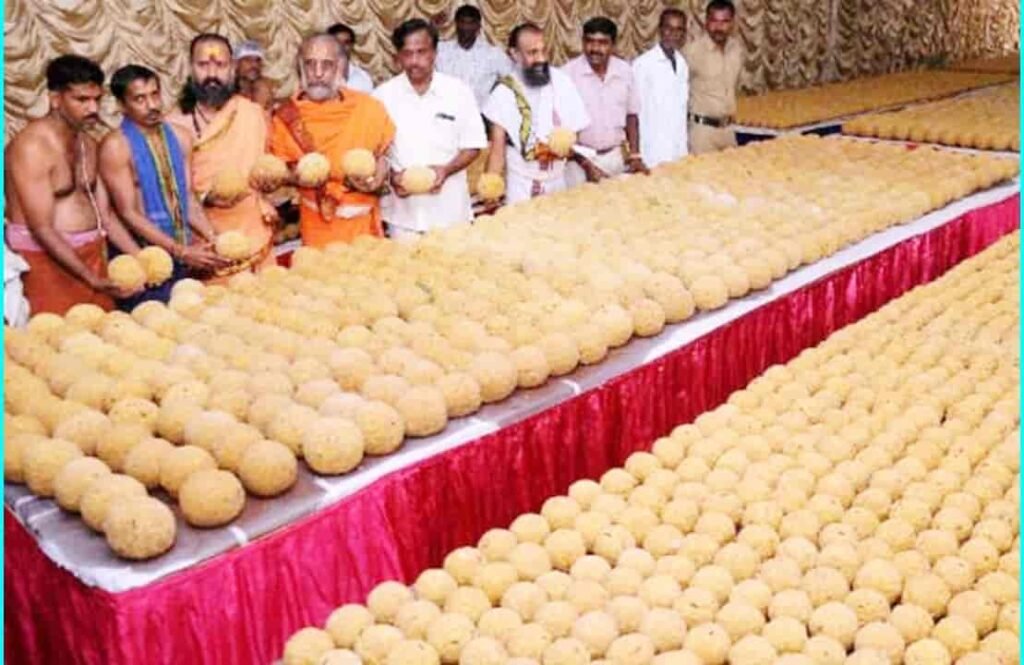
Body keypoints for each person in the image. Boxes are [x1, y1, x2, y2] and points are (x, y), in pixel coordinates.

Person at [5, 55, 142, 316]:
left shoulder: (88, 142)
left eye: (96, 99)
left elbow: (106, 216)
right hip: (46, 265)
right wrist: (89, 278)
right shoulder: (31, 147)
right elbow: (41, 228)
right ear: (55, 99)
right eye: (81, 100)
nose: (92, 108)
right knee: (59, 345)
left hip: (93, 258)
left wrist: (140, 258)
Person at [99, 64, 229, 307]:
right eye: (139, 99)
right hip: (142, 254)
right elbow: (128, 213)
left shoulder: (181, 137)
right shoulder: (116, 147)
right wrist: (179, 251)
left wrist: (213, 237)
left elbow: (187, 198)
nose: (152, 105)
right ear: (121, 105)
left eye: (155, 94)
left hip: (181, 245)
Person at [167, 33, 278, 279]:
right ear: (190, 68)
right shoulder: (174, 124)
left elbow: (266, 167)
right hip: (207, 244)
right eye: (203, 65)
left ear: (232, 69)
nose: (212, 74)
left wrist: (270, 182)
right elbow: (171, 194)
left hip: (256, 236)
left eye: (220, 65)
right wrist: (207, 198)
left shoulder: (252, 113)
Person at [269, 33, 395, 247]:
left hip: (364, 226)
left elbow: (383, 156)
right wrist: (302, 177)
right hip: (318, 226)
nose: (317, 73)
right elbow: (279, 171)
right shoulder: (286, 115)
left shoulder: (368, 108)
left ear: (340, 67)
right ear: (300, 68)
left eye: (326, 65)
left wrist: (380, 174)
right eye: (310, 64)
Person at [374, 19, 487, 239]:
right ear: (397, 57)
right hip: (403, 218)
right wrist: (391, 177)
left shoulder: (458, 92)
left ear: (435, 53)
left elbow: (473, 145)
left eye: (421, 52)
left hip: (452, 215)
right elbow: (374, 152)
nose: (415, 61)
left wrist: (445, 171)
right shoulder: (382, 97)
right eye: (407, 53)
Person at [482, 23, 590, 205]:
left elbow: (576, 131)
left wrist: (562, 144)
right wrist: (491, 188)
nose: (541, 58)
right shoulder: (504, 92)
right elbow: (497, 150)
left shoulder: (562, 81)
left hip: (558, 181)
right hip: (521, 184)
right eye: (532, 53)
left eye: (543, 51)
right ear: (514, 54)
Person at [562, 17, 645, 187]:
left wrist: (635, 156)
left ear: (613, 45)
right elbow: (561, 131)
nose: (595, 48)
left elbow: (631, 116)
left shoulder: (624, 71)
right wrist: (586, 165)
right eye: (589, 41)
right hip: (578, 164)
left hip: (616, 158)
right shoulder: (567, 75)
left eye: (602, 43)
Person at [684, 0, 743, 154]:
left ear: (732, 23)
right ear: (706, 22)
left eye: (724, 21)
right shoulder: (693, 52)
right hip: (703, 133)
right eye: (714, 21)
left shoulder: (736, 49)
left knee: (736, 175)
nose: (719, 27)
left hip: (728, 130)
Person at [632, 9, 690, 167]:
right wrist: (636, 154)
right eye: (668, 28)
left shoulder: (682, 63)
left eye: (679, 30)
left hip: (678, 149)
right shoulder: (643, 64)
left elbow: (681, 110)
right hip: (652, 152)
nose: (673, 34)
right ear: (659, 30)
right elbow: (633, 113)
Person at [436, 5, 512, 109]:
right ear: (456, 23)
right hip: (446, 115)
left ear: (478, 26)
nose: (466, 27)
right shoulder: (442, 50)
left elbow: (514, 81)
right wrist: (431, 27)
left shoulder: (493, 54)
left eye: (471, 23)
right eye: (462, 22)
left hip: (479, 118)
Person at [327, 23, 375, 93]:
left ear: (352, 46)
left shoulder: (363, 77)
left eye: (346, 43)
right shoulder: (319, 76)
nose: (342, 47)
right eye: (337, 42)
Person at [234, 40, 276, 111]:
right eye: (248, 60)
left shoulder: (264, 88)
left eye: (257, 60)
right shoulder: (227, 88)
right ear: (236, 63)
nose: (254, 65)